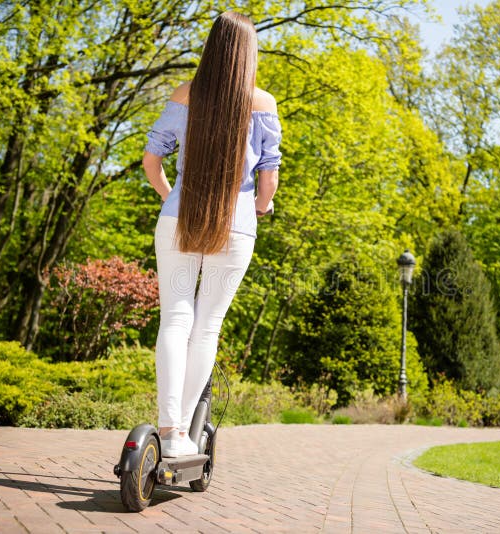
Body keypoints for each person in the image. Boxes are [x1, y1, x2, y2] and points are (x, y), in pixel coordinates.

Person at [141, 11, 281, 457]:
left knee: (175, 321)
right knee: (206, 328)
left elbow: (152, 161)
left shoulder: (185, 94)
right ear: (248, 54)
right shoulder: (263, 103)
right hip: (235, 227)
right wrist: (260, 207)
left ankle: (168, 429)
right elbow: (269, 180)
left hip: (177, 220)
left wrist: (171, 198)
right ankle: (182, 431)